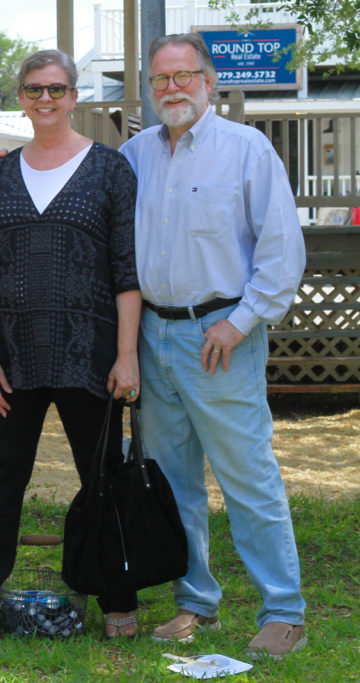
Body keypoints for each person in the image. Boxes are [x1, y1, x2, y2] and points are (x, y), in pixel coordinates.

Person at [120, 33, 307, 658]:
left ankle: (284, 611)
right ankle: (195, 600)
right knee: (173, 482)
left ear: (209, 81)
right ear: (150, 87)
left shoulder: (247, 150)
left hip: (221, 335)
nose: (172, 88)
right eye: (160, 79)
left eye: (183, 76)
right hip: (153, 335)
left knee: (247, 476)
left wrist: (241, 321)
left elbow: (282, 250)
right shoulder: (135, 155)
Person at [0, 49, 141, 646]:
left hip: (91, 356)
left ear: (73, 97)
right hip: (13, 360)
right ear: (20, 97)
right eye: (35, 89)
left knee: (103, 479)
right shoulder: (0, 175)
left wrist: (127, 355)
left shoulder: (110, 169)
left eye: (56, 89)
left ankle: (118, 599)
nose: (46, 99)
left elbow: (126, 271)